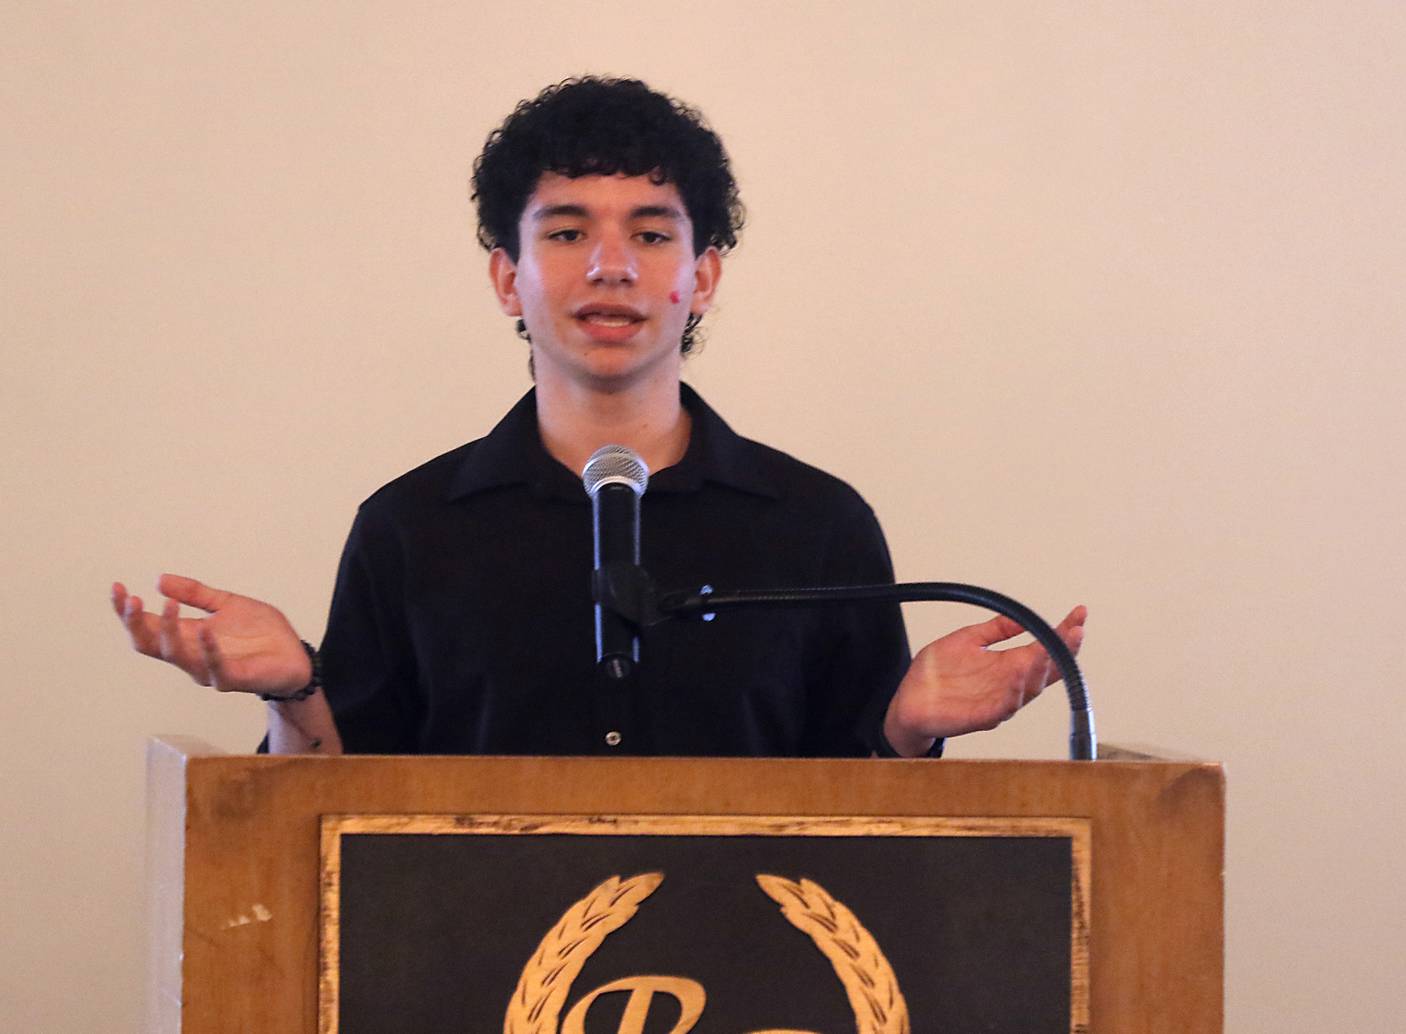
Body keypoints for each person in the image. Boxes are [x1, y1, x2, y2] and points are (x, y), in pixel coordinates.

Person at [112, 77, 1085, 758]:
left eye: (651, 234)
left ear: (700, 277)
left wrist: (911, 726)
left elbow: (874, 837)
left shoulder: (816, 523)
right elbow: (336, 827)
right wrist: (293, 687)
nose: (611, 265)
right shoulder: (412, 527)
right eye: (568, 231)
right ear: (510, 277)